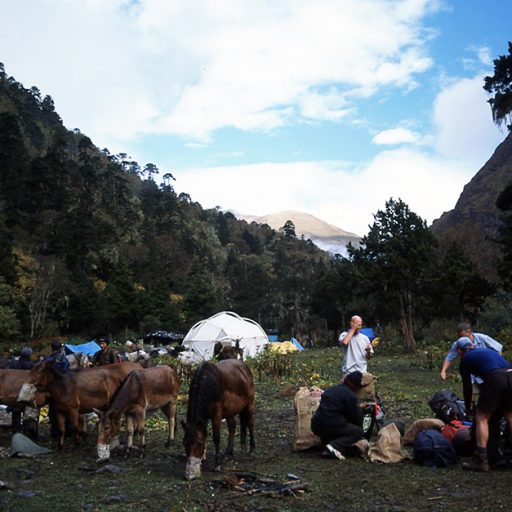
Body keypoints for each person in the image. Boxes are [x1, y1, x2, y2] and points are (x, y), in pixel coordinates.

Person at [456, 337, 512, 471]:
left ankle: (481, 460)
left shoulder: (465, 359)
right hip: (510, 375)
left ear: (459, 351)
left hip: (495, 377)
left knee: (481, 417)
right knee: (510, 415)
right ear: (472, 345)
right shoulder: (486, 351)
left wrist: (468, 407)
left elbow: (467, 386)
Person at [311, 371, 368, 460]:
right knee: (357, 431)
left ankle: (326, 445)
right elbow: (355, 417)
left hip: (316, 425)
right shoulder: (350, 395)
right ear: (355, 386)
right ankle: (334, 446)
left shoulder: (331, 389)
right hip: (331, 425)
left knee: (335, 425)